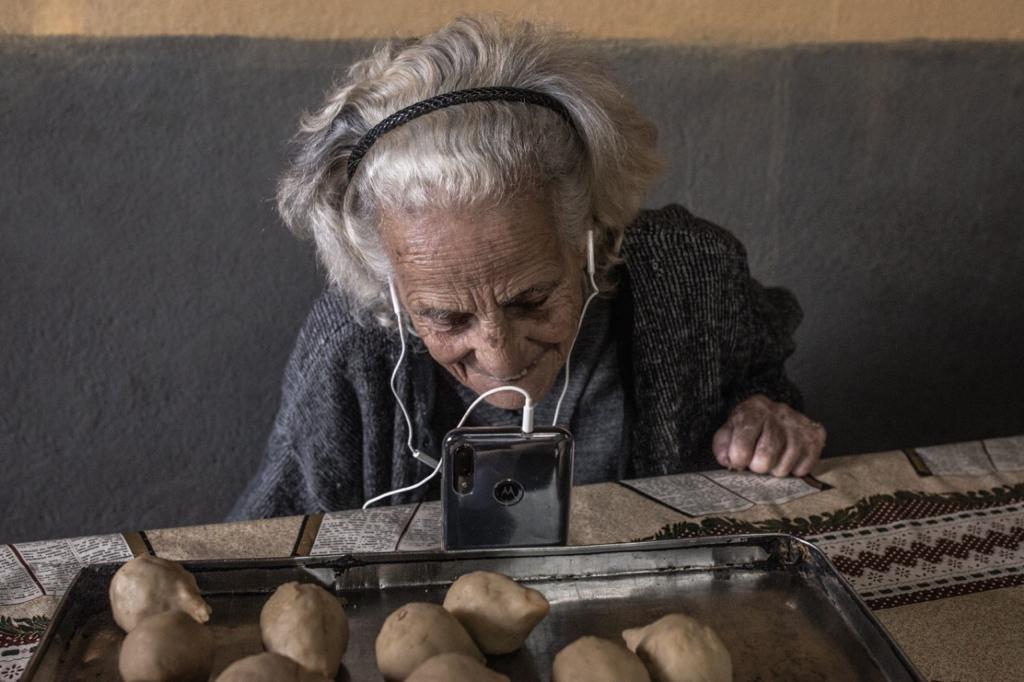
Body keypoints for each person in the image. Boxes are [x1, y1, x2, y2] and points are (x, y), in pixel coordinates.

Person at [229, 15, 826, 521]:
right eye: (447, 317)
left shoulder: (691, 275)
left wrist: (766, 417)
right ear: (390, 288)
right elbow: (264, 546)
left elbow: (759, 378)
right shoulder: (351, 349)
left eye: (531, 300)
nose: (500, 358)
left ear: (593, 235)